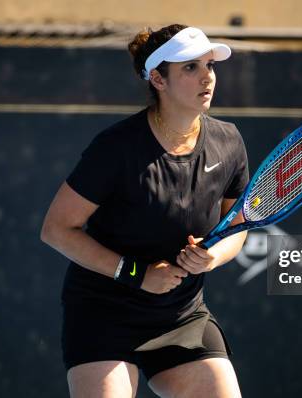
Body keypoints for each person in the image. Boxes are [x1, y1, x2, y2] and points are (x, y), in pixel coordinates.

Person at [40, 24, 249, 398]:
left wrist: (211, 257)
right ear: (158, 78)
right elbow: (57, 229)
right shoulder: (115, 148)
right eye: (190, 67)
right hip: (104, 314)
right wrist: (138, 275)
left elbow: (237, 225)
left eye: (209, 65)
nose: (207, 77)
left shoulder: (228, 142)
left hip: (181, 315)